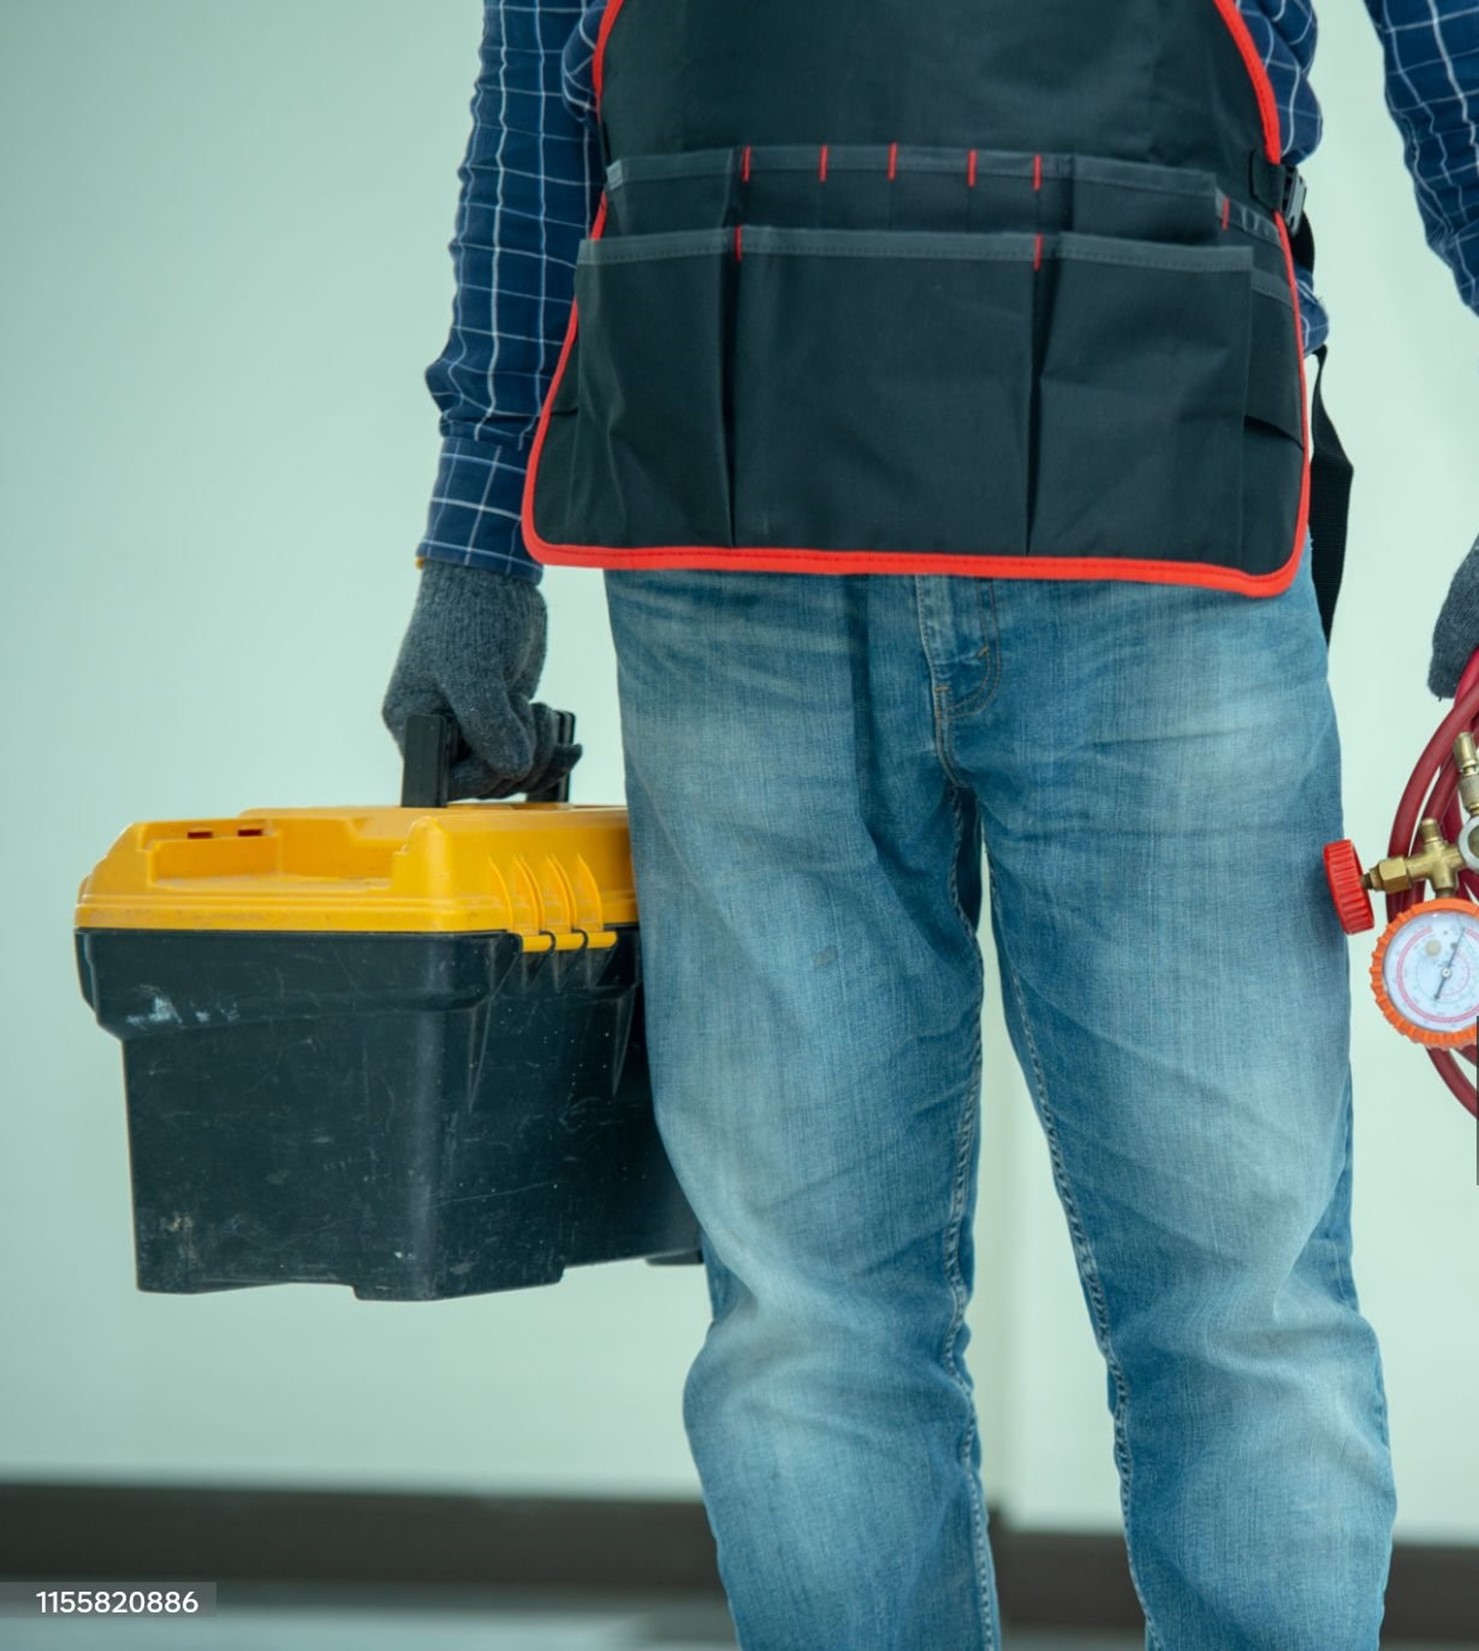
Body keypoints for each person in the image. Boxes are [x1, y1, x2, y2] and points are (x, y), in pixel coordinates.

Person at [383, 4, 1479, 1646]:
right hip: (881, 508)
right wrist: (476, 534)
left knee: (901, 1318)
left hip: (987, 501)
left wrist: (483, 533)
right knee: (1156, 1312)